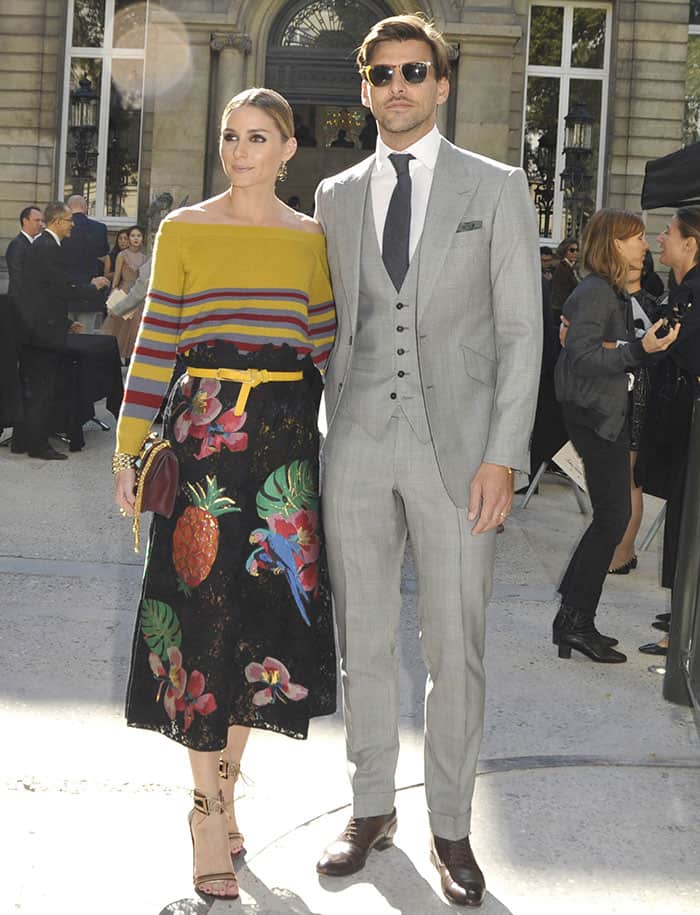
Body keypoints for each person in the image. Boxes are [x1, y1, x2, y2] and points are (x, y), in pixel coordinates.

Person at [313, 14, 542, 907]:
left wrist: (504, 455)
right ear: (365, 88)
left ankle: (450, 823)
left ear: (442, 85)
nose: (398, 86)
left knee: (457, 647)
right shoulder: (334, 195)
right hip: (358, 445)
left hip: (461, 454)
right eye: (382, 75)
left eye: (415, 71)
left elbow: (523, 335)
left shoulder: (498, 189)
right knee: (361, 641)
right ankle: (371, 808)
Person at [112, 87, 337, 902]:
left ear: (287, 149)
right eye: (230, 136)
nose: (239, 150)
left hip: (281, 455)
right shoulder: (185, 228)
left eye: (258, 137)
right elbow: (155, 347)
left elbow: (327, 346)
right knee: (203, 625)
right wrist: (130, 448)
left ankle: (229, 785)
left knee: (259, 629)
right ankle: (204, 811)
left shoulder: (314, 239)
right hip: (202, 442)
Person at [553, 209, 679, 663]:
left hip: (604, 412)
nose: (644, 245)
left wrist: (641, 349)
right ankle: (574, 620)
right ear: (613, 244)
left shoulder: (610, 292)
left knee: (612, 516)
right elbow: (582, 358)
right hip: (594, 414)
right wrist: (635, 349)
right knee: (613, 518)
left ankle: (573, 614)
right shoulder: (593, 294)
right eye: (636, 238)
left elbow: (616, 353)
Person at [639, 207, 700, 656]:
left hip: (692, 423)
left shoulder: (695, 293)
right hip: (680, 421)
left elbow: (668, 344)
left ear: (691, 244)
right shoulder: (683, 288)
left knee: (687, 522)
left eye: (669, 232)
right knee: (681, 517)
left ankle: (683, 629)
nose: (661, 239)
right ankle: (683, 610)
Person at [16, 201, 109, 460]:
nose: (72, 224)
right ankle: (37, 446)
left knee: (36, 387)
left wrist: (66, 322)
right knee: (42, 389)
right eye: (69, 220)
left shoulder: (45, 246)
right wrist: (93, 286)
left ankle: (24, 441)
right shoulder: (47, 248)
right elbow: (60, 290)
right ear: (57, 221)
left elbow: (46, 293)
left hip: (41, 327)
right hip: (41, 333)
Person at [2, 206, 43, 442]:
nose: (40, 224)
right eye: (36, 220)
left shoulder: (33, 245)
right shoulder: (18, 246)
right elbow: (21, 283)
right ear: (25, 221)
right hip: (19, 316)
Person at [61, 194, 110, 332]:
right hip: (90, 288)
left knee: (65, 337)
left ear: (68, 208)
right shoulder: (99, 228)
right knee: (86, 336)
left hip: (66, 290)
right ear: (85, 208)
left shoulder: (60, 228)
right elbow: (103, 252)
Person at [101, 225, 148, 361]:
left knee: (136, 328)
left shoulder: (145, 258)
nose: (135, 239)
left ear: (142, 239)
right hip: (124, 291)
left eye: (138, 236)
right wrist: (113, 293)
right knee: (119, 327)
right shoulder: (122, 255)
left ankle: (132, 357)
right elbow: (116, 278)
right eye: (133, 236)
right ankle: (118, 356)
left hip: (138, 294)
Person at [550, 237, 580, 316]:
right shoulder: (562, 268)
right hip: (561, 310)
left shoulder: (570, 267)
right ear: (564, 251)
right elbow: (560, 293)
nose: (575, 253)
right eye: (572, 250)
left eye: (577, 250)